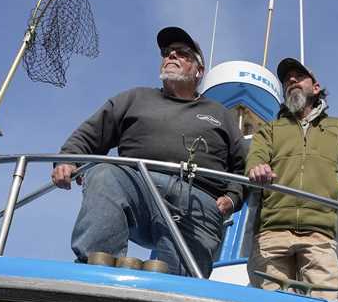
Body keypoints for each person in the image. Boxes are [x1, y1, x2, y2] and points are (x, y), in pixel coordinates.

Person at [52, 26, 246, 277]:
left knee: (180, 286)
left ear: (199, 71)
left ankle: (177, 296)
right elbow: (91, 133)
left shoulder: (220, 114)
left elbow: (245, 164)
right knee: (105, 173)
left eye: (182, 53)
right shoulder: (134, 98)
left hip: (198, 199)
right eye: (167, 52)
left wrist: (233, 198)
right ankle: (95, 273)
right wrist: (68, 160)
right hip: (136, 184)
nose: (171, 57)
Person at [245, 57, 338, 302]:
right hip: (272, 232)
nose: (291, 80)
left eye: (298, 76)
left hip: (320, 236)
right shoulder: (269, 130)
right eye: (286, 80)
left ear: (315, 88)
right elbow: (256, 157)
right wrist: (257, 168)